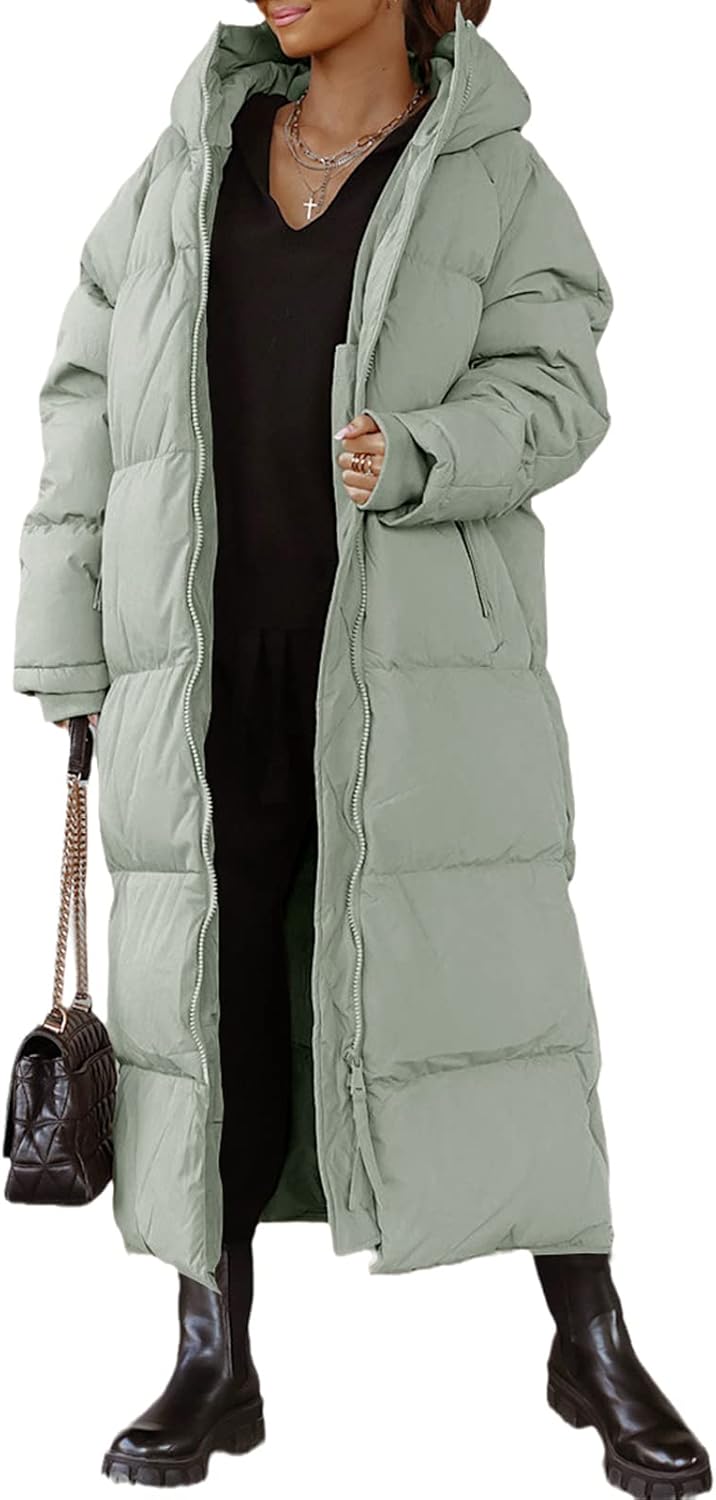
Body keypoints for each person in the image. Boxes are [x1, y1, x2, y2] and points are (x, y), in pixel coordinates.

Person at [11, 1, 710, 1493]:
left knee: (500, 1000)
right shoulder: (186, 160)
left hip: (411, 675)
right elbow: (84, 402)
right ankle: (213, 1356)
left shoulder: (491, 172)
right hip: (201, 669)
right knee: (210, 1010)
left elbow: (563, 386)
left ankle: (590, 1340)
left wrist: (430, 448)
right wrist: (68, 639)